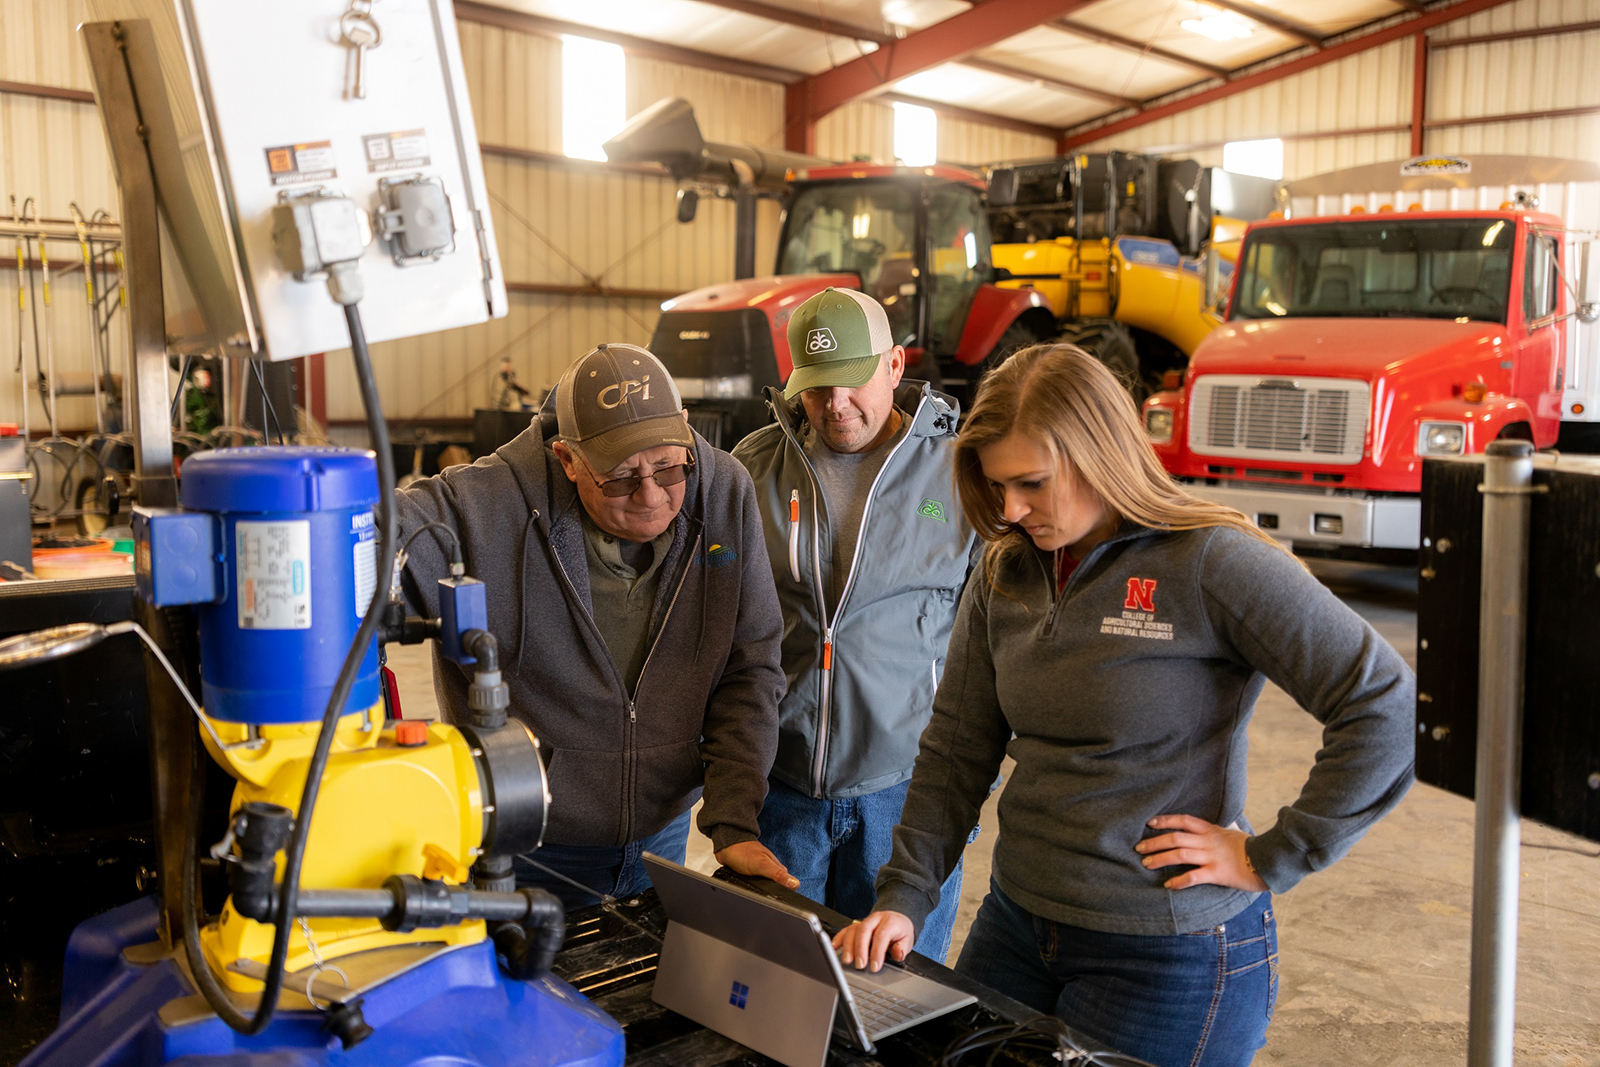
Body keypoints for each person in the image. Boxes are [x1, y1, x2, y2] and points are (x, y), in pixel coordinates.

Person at [835, 344, 1415, 1066]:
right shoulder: (1007, 569)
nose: (1011, 509)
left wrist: (1274, 854)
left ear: (1098, 455)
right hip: (1018, 924)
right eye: (998, 486)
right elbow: (957, 747)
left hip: (1167, 954)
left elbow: (1384, 702)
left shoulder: (1207, 560)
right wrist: (907, 893)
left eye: (1033, 484)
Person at [397, 343, 796, 908]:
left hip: (661, 833)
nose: (651, 494)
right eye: (620, 478)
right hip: (526, 845)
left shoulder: (723, 489)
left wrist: (733, 821)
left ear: (685, 429)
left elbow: (750, 663)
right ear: (567, 459)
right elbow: (364, 534)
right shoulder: (481, 504)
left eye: (667, 466)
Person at [732, 288, 978, 963]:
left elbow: (992, 634)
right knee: (781, 990)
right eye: (816, 388)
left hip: (906, 795)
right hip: (782, 788)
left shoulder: (963, 471)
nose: (834, 403)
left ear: (896, 365)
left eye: (851, 381)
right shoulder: (753, 468)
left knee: (897, 999)